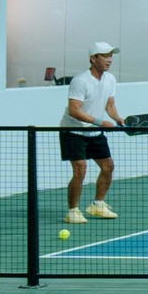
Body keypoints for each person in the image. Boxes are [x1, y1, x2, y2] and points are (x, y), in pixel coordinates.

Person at [60, 41, 124, 224]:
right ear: (93, 59)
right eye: (104, 56)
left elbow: (109, 105)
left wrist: (117, 118)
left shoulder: (110, 79)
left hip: (95, 132)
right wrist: (99, 122)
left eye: (110, 56)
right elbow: (74, 110)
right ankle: (72, 211)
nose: (109, 59)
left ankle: (97, 204)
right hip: (73, 131)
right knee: (80, 169)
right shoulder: (80, 81)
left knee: (108, 166)